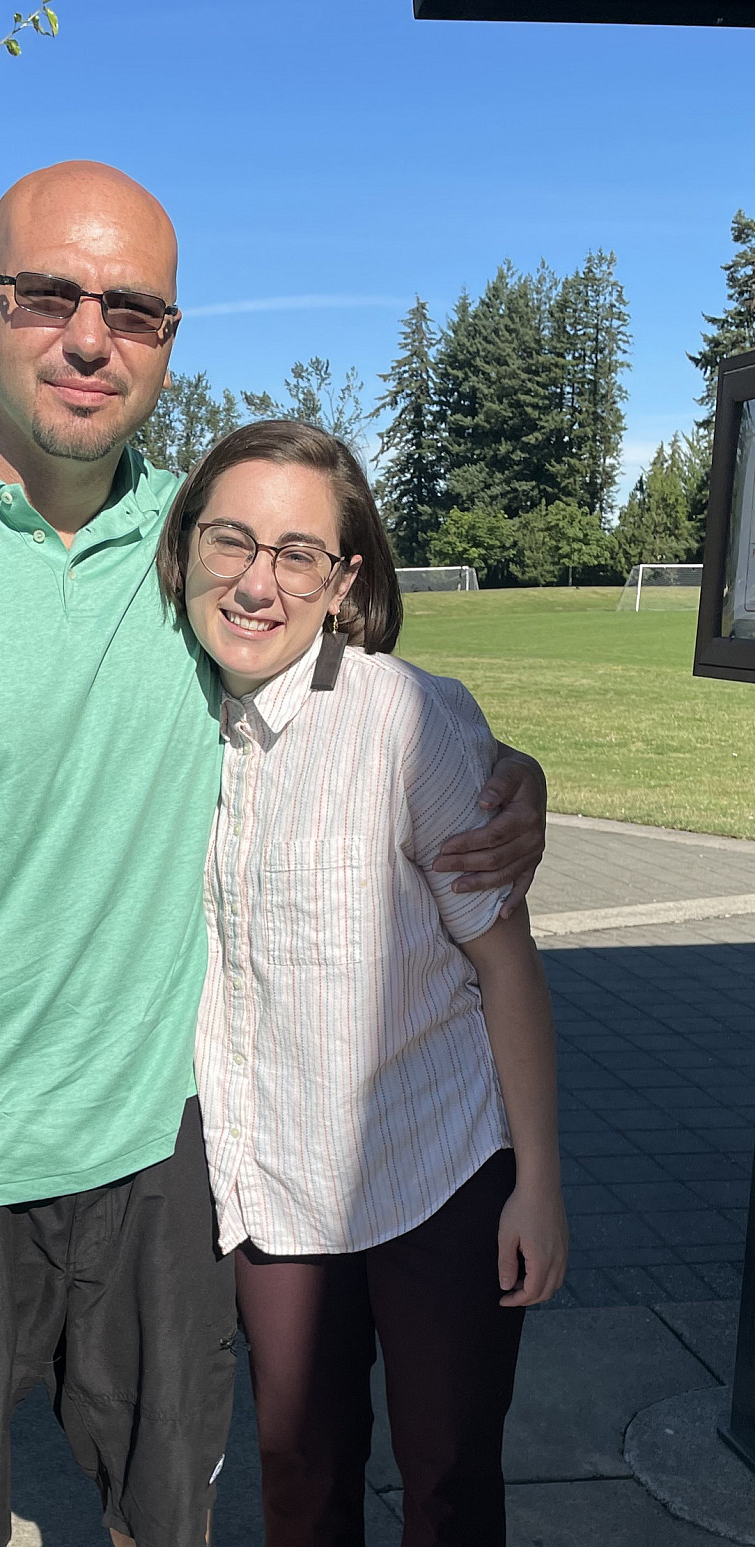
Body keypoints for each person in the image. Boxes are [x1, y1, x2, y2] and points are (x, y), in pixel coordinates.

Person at [0, 162, 549, 1547]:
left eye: (135, 310)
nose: (89, 336)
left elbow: (358, 695)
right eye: (50, 295)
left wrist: (516, 774)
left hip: (158, 1148)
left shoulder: (188, 552)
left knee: (169, 1507)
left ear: (168, 339)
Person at [155, 419, 569, 1547]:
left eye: (296, 553)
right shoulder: (160, 712)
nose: (255, 580)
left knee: (445, 1477)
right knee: (297, 1470)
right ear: (185, 544)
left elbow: (502, 956)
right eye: (231, 539)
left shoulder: (403, 717)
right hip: (276, 1184)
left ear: (343, 580)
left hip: (435, 1166)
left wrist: (537, 1179)